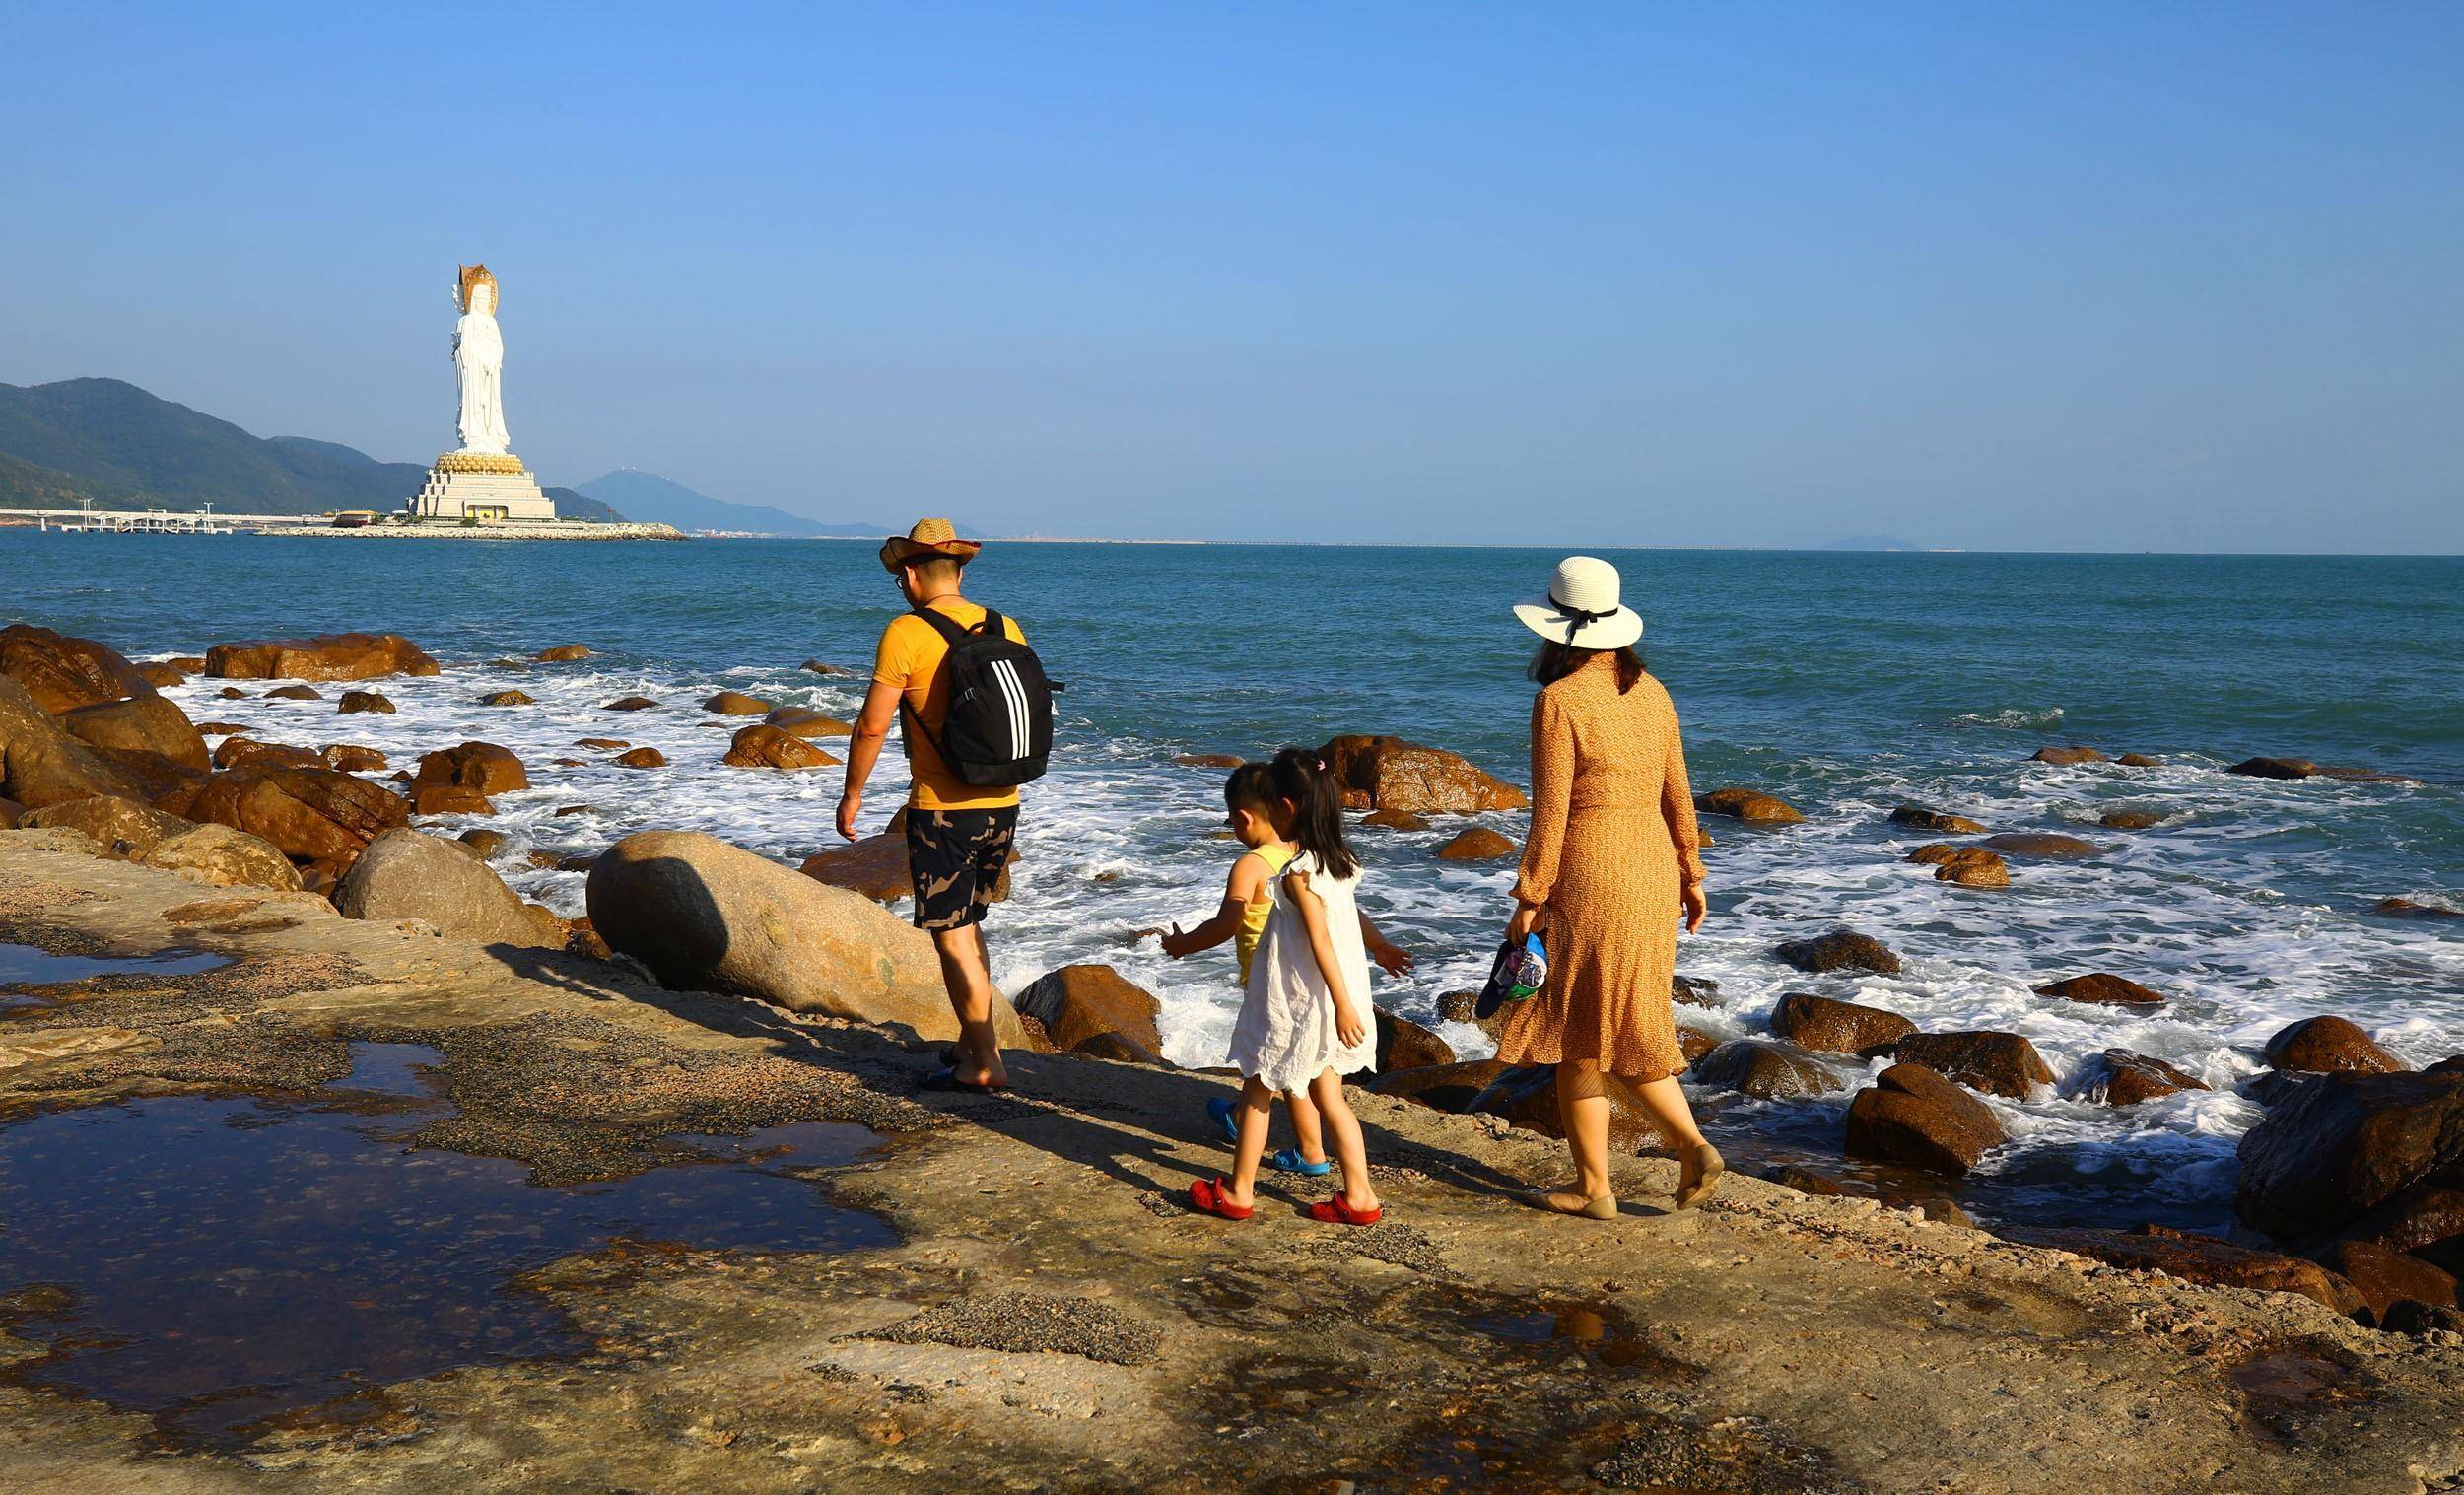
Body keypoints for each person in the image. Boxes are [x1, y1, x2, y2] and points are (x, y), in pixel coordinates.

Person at [1498, 556, 1721, 1218]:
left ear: (1557, 628)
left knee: (1597, 1029)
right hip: (1651, 870)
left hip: (1592, 873)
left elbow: (1552, 813)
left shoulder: (1558, 701)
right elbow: (1678, 789)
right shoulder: (1651, 690)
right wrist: (1692, 871)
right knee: (1605, 1025)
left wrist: (1531, 896)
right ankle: (1600, 1185)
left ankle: (1681, 1148)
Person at [839, 518, 1025, 1092]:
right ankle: (975, 1043)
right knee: (971, 925)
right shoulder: (1005, 625)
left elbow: (872, 726)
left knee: (951, 934)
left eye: (901, 576)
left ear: (911, 574)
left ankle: (985, 1063)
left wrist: (852, 795)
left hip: (943, 807)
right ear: (961, 571)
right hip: (1004, 799)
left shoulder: (906, 632)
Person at [1163, 762, 1414, 1177]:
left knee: (1286, 1068)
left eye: (1231, 820)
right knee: (1307, 1070)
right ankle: (1295, 1144)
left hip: (1278, 980)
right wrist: (1381, 946)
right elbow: (1348, 913)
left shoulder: (1254, 866)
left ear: (1245, 818)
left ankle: (1305, 1149)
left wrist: (1182, 945)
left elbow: (1226, 925)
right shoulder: (1313, 857)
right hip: (1315, 982)